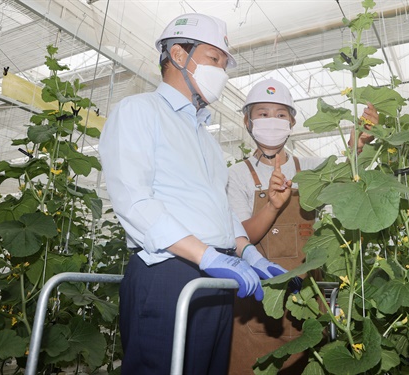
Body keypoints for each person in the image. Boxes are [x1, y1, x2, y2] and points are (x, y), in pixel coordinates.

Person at [99, 15, 286, 375]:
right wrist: (205, 255)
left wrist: (247, 252)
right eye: (215, 59)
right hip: (168, 274)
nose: (222, 71)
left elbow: (217, 209)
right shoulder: (139, 111)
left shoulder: (207, 139)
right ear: (179, 55)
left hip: (214, 275)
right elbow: (134, 201)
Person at [226, 78, 377, 374]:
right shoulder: (237, 175)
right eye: (262, 113)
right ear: (247, 121)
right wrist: (272, 205)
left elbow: (345, 175)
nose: (272, 121)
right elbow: (240, 238)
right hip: (255, 305)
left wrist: (356, 143)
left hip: (305, 302)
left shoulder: (308, 170)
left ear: (292, 122)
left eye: (281, 114)